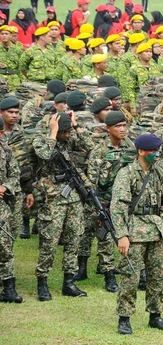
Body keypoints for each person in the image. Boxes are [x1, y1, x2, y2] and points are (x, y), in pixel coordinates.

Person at [112, 133, 163, 335]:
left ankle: (155, 315)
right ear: (141, 152)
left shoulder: (158, 172)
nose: (156, 155)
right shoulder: (127, 173)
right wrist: (122, 235)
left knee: (158, 276)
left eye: (157, 151)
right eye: (152, 151)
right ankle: (124, 318)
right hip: (134, 232)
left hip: (156, 231)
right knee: (130, 277)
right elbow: (117, 207)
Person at [33, 111, 94, 301]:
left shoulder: (69, 137)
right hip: (52, 198)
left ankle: (69, 281)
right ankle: (42, 282)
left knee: (74, 238)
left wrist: (75, 125)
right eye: (64, 132)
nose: (68, 135)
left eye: (69, 132)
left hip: (72, 196)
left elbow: (89, 145)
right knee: (50, 242)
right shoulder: (41, 139)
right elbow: (43, 155)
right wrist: (53, 133)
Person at [0, 97, 23, 304]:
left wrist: (5, 186)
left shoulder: (6, 152)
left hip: (2, 207)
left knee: (5, 245)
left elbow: (15, 176)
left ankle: (8, 288)